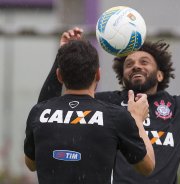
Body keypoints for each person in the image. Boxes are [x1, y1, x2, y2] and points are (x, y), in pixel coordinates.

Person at [38, 24, 180, 184]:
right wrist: (63, 57)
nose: (136, 66)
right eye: (129, 64)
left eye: (144, 62)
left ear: (159, 74)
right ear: (123, 75)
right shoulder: (106, 104)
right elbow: (48, 110)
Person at [24, 40, 155, 184]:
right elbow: (147, 167)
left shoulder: (38, 112)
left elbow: (31, 164)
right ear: (98, 74)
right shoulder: (114, 116)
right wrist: (136, 119)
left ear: (59, 76)